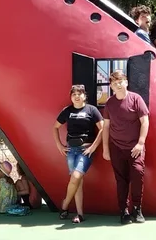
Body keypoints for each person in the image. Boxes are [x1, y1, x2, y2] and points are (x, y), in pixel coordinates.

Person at [102, 70, 149, 225]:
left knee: (137, 173)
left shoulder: (136, 99)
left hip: (135, 147)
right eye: (115, 83)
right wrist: (106, 149)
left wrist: (140, 143)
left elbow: (145, 122)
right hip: (116, 147)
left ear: (126, 82)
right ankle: (124, 211)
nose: (118, 85)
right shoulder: (109, 103)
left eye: (120, 81)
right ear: (111, 87)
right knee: (121, 180)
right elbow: (106, 127)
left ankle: (137, 208)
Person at [53, 84, 104, 224]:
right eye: (74, 94)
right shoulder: (67, 111)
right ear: (71, 97)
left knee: (75, 177)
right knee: (77, 183)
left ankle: (64, 205)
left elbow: (102, 129)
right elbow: (55, 127)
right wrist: (59, 145)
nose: (76, 96)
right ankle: (79, 214)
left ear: (84, 96)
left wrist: (93, 147)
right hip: (71, 151)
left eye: (79, 94)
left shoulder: (92, 110)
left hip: (85, 150)